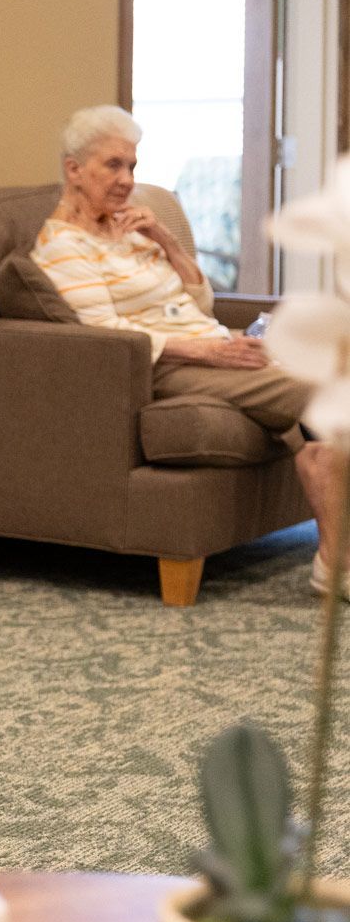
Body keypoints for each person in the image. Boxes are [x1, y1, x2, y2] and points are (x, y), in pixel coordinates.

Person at [33, 105, 344, 595]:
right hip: (165, 366)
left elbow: (199, 299)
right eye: (113, 165)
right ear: (74, 168)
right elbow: (107, 334)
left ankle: (334, 555)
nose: (126, 179)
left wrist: (163, 239)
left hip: (212, 342)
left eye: (132, 167)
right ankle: (335, 563)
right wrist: (208, 354)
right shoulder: (61, 247)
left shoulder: (129, 229)